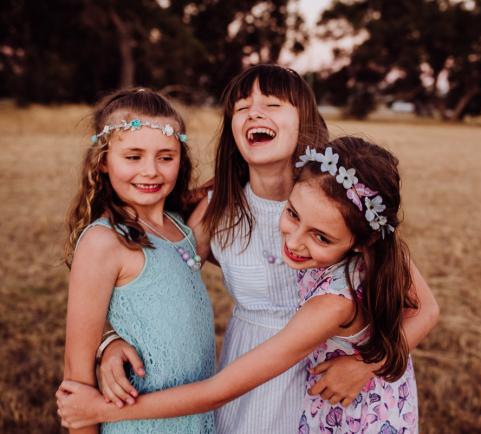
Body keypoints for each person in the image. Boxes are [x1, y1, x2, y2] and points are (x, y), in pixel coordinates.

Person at [59, 65, 437, 433]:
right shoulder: (214, 207)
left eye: (272, 105)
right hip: (248, 369)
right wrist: (107, 339)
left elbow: (425, 309)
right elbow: (144, 277)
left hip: (326, 379)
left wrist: (368, 365)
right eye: (241, 107)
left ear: (304, 119)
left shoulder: (337, 206)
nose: (255, 111)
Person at [62, 88, 217, 434]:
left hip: (194, 421)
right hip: (139, 423)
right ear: (102, 161)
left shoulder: (181, 229)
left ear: (182, 158)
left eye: (166, 157)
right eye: (133, 157)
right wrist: (106, 343)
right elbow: (76, 373)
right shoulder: (105, 241)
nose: (151, 171)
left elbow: (229, 182)